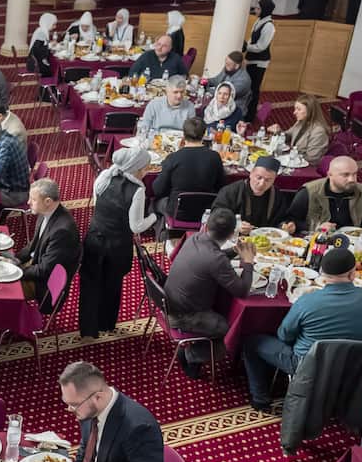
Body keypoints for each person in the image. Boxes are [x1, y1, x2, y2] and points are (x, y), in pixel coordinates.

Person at [241, 248, 362, 410]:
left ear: (323, 274)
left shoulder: (307, 300)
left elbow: (284, 335)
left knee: (251, 342)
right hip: (352, 362)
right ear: (353, 274)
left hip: (307, 365)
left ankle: (261, 399)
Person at [58, 361, 165, 462]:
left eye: (73, 405)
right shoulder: (89, 410)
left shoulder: (138, 427)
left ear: (98, 397)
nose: (70, 410)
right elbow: (85, 448)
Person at [164, 208, 256, 378]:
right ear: (230, 235)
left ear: (206, 226)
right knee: (230, 329)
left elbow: (214, 258)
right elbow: (242, 291)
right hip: (183, 315)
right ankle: (192, 355)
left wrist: (234, 251)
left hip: (169, 302)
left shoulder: (195, 238)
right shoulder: (216, 258)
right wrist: (248, 262)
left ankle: (195, 352)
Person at [81, 148, 155, 338]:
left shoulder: (105, 176)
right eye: (145, 166)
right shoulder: (137, 190)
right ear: (138, 168)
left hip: (94, 238)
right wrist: (154, 217)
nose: (147, 169)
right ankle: (106, 324)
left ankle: (88, 328)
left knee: (90, 285)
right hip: (116, 245)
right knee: (111, 285)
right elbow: (136, 226)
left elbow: (98, 202)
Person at [16, 178, 81, 307]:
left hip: (42, 284)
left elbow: (45, 270)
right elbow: (33, 246)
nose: (28, 202)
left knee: (1, 286)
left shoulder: (63, 231)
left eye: (33, 199)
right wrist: (14, 260)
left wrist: (16, 271)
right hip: (36, 266)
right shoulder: (45, 212)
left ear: (48, 201)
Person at [152, 118, 225, 225]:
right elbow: (221, 187)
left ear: (183, 134)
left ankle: (161, 233)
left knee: (153, 203)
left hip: (177, 212)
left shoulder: (173, 158)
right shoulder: (215, 157)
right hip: (205, 211)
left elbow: (157, 190)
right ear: (204, 134)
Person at [287, 156, 362, 233]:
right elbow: (291, 221)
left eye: (354, 174)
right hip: (317, 240)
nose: (352, 179)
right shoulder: (309, 192)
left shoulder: (360, 191)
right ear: (330, 175)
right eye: (345, 175)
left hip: (350, 242)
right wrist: (317, 227)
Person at [213, 156, 295, 235]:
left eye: (268, 180)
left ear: (274, 180)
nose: (262, 184)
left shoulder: (277, 195)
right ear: (251, 174)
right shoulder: (231, 191)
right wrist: (235, 225)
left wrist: (286, 226)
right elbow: (215, 215)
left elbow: (282, 219)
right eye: (259, 178)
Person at [263, 94, 329, 166]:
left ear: (310, 111)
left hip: (306, 167)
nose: (294, 112)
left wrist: (287, 156)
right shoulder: (301, 122)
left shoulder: (318, 132)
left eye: (299, 109)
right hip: (293, 160)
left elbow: (312, 159)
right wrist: (278, 131)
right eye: (295, 109)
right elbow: (288, 136)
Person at [243, 0, 275, 123]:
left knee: (254, 89)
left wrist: (247, 47)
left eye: (258, 8)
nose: (255, 10)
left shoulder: (269, 26)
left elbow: (261, 46)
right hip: (251, 60)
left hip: (259, 62)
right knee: (249, 88)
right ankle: (247, 111)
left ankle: (250, 116)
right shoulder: (259, 21)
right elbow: (252, 39)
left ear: (264, 10)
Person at [28, 13, 57, 77]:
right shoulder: (41, 33)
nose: (55, 27)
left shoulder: (42, 30)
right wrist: (49, 45)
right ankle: (48, 85)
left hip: (38, 60)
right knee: (55, 68)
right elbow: (37, 50)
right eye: (53, 24)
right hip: (35, 64)